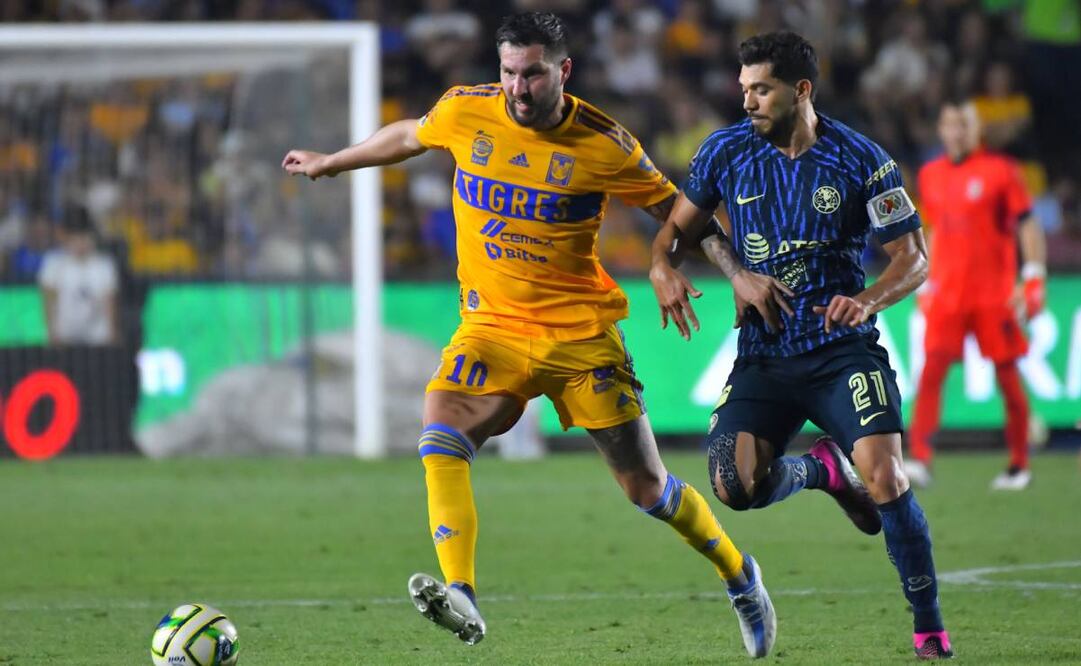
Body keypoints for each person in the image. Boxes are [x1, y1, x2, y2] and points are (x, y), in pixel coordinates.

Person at [283, 12, 776, 658]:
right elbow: (410, 134)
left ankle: (740, 576)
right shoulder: (467, 110)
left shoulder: (604, 143)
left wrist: (731, 273)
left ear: (563, 71)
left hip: (579, 337)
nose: (518, 87)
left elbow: (682, 213)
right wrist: (333, 163)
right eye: (509, 73)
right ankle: (461, 592)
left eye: (533, 74)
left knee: (647, 488)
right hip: (490, 328)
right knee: (439, 432)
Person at [649, 32, 953, 659]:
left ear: (801, 90)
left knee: (887, 476)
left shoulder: (861, 159)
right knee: (733, 486)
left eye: (761, 90)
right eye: (744, 89)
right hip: (764, 352)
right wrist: (687, 270)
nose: (747, 102)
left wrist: (867, 300)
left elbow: (914, 258)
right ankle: (821, 471)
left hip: (841, 348)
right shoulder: (725, 150)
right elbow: (678, 230)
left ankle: (928, 626)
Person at [906, 99, 1046, 491]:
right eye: (951, 124)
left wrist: (1033, 276)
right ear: (940, 129)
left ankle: (1018, 465)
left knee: (1008, 378)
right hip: (948, 294)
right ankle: (919, 459)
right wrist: (927, 280)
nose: (958, 132)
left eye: (964, 124)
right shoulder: (930, 174)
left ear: (977, 128)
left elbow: (1027, 225)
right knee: (931, 372)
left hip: (993, 295)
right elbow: (934, 230)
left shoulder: (1001, 171)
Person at [39, 211, 119, 347]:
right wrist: (51, 333)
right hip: (64, 337)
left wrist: (111, 333)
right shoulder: (54, 263)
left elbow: (110, 301)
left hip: (97, 338)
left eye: (85, 238)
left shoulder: (104, 265)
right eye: (76, 238)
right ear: (66, 238)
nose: (81, 243)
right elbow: (48, 301)